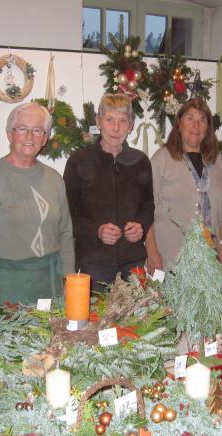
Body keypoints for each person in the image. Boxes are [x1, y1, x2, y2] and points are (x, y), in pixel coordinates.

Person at [0, 103, 75, 305]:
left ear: (45, 138)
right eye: (22, 128)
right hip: (6, 286)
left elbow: (66, 233)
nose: (30, 136)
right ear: (10, 134)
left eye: (37, 130)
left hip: (50, 283)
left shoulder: (55, 180)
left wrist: (69, 280)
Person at [63, 93, 154, 291]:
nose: (116, 128)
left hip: (133, 261)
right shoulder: (79, 161)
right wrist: (96, 231)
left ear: (131, 125)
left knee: (136, 312)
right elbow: (67, 214)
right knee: (95, 312)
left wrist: (141, 226)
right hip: (93, 262)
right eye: (109, 119)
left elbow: (148, 205)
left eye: (123, 121)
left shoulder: (140, 161)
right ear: (98, 122)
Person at [145, 97, 222, 272]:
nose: (196, 125)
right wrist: (152, 253)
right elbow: (146, 211)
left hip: (210, 262)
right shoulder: (161, 160)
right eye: (190, 118)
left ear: (208, 128)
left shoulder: (217, 161)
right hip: (172, 260)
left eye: (202, 120)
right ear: (179, 124)